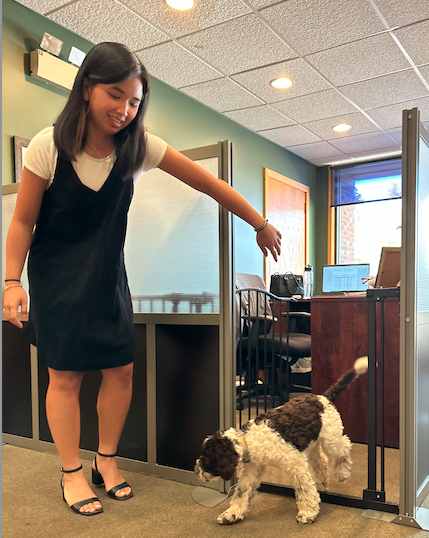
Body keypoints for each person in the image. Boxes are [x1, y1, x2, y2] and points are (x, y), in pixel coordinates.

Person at [3, 42, 281, 517]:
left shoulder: (138, 146)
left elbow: (208, 184)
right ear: (87, 88)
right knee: (64, 376)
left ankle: (105, 461)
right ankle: (71, 470)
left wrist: (258, 222)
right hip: (56, 281)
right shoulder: (49, 146)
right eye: (116, 95)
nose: (124, 110)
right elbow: (23, 221)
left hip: (109, 277)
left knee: (121, 370)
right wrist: (11, 281)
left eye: (134, 102)